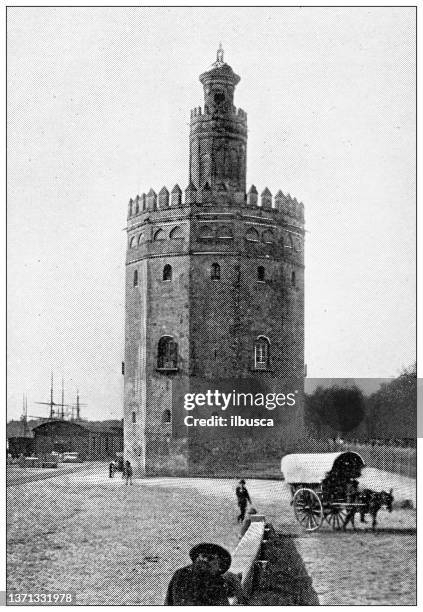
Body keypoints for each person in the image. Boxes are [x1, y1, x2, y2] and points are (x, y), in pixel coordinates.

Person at [165, 543, 235, 605]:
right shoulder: (184, 574)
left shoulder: (218, 581)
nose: (205, 560)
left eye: (211, 558)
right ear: (197, 558)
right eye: (204, 556)